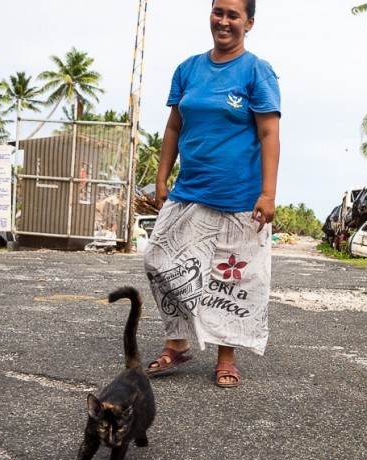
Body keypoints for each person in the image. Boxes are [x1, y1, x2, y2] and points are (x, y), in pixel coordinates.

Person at [143, 0, 281, 388]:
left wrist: (267, 194)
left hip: (240, 198)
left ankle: (226, 357)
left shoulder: (257, 71)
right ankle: (179, 340)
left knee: (232, 279)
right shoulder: (188, 69)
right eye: (218, 11)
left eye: (233, 15)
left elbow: (269, 133)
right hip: (190, 191)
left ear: (248, 23)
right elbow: (173, 128)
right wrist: (161, 177)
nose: (223, 20)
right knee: (158, 259)